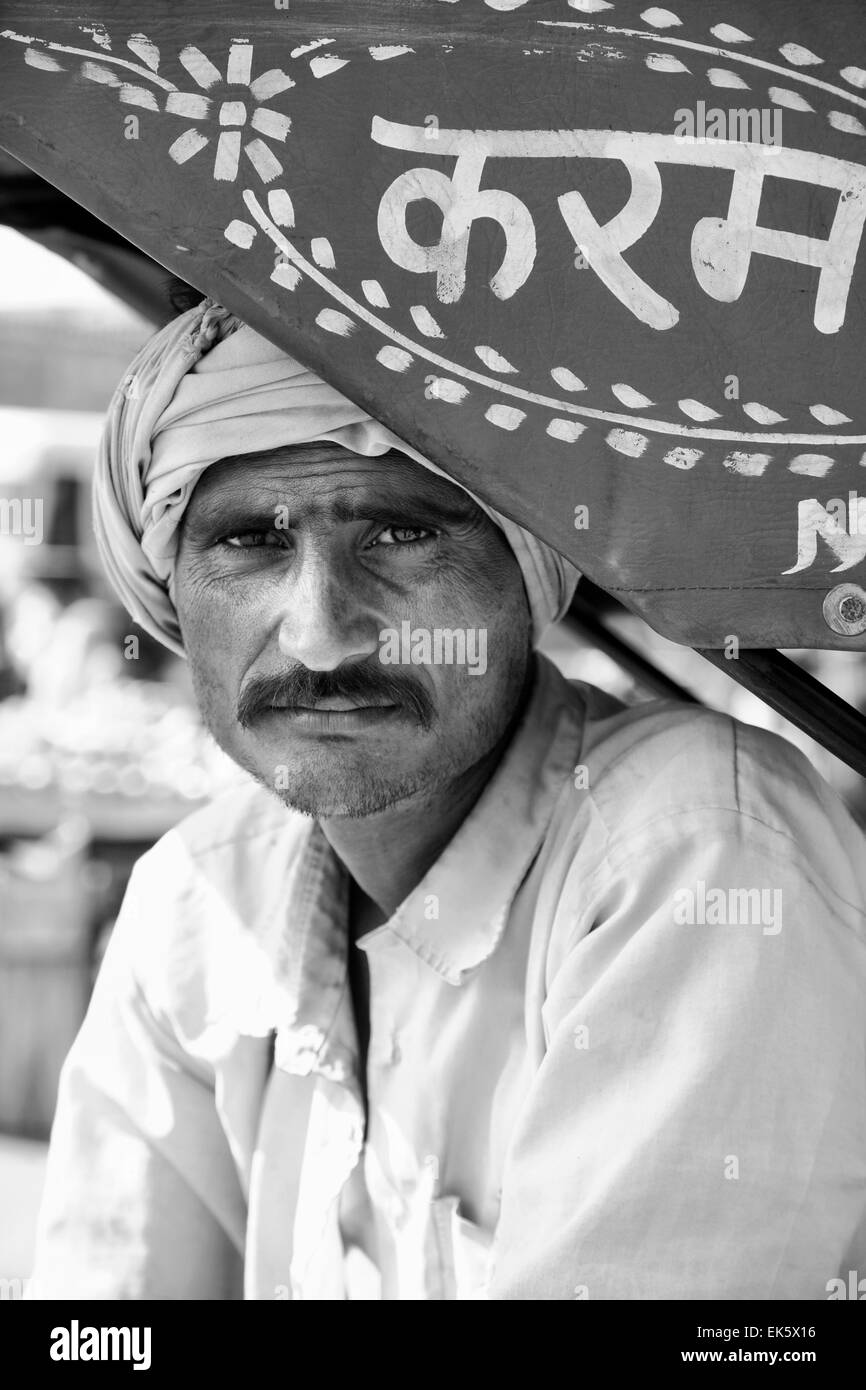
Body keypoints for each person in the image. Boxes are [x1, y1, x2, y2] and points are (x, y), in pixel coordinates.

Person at [28, 294, 866, 1301]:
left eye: (399, 534)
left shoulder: (697, 850)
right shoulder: (192, 905)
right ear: (170, 588)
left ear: (526, 573)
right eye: (250, 541)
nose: (320, 636)